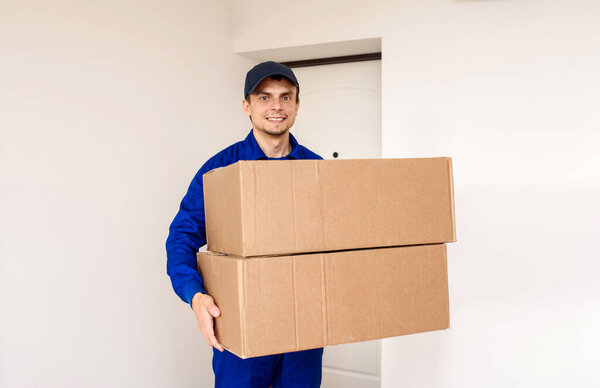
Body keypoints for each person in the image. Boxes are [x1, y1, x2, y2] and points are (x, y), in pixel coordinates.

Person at [166, 61, 323, 388]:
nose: (276, 106)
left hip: (304, 329)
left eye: (285, 97)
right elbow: (182, 236)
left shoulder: (318, 171)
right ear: (246, 106)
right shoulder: (220, 170)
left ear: (297, 106)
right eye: (264, 97)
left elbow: (342, 245)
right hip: (241, 323)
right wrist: (195, 295)